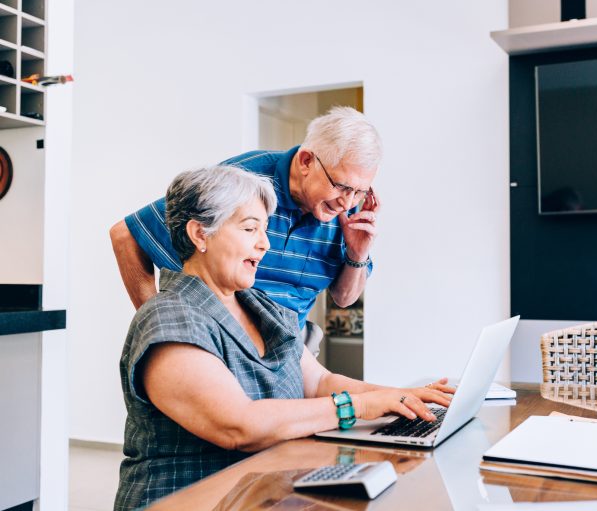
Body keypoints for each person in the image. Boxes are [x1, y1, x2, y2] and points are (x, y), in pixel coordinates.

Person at [114, 165, 453, 510]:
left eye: (264, 229)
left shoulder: (260, 305)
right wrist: (359, 406)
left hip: (262, 493)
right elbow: (239, 426)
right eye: (250, 229)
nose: (264, 244)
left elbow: (320, 381)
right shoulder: (168, 318)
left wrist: (402, 397)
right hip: (192, 499)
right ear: (200, 234)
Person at [110, 106, 381, 329]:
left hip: (289, 348)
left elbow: (344, 298)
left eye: (360, 191)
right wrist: (158, 326)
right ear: (306, 161)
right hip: (223, 342)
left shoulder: (347, 209)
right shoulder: (245, 180)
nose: (347, 202)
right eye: (341, 186)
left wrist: (357, 254)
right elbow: (125, 236)